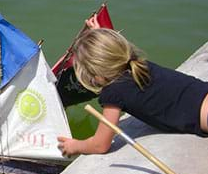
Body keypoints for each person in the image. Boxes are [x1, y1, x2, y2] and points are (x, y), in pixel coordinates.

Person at [57, 14, 208, 157]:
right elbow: (115, 52)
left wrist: (76, 145)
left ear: (94, 74)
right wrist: (99, 34)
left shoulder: (113, 93)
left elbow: (100, 145)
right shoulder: (137, 63)